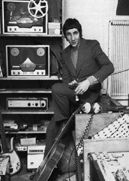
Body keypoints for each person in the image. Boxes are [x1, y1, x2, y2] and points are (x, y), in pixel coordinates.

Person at [44, 18, 114, 157]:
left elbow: (109, 67)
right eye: (68, 34)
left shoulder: (92, 46)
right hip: (73, 96)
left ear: (80, 33)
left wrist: (88, 81)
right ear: (65, 36)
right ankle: (45, 168)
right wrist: (71, 84)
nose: (72, 37)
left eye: (75, 33)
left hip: (90, 96)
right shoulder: (64, 53)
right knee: (51, 128)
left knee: (57, 121)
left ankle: (64, 122)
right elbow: (66, 80)